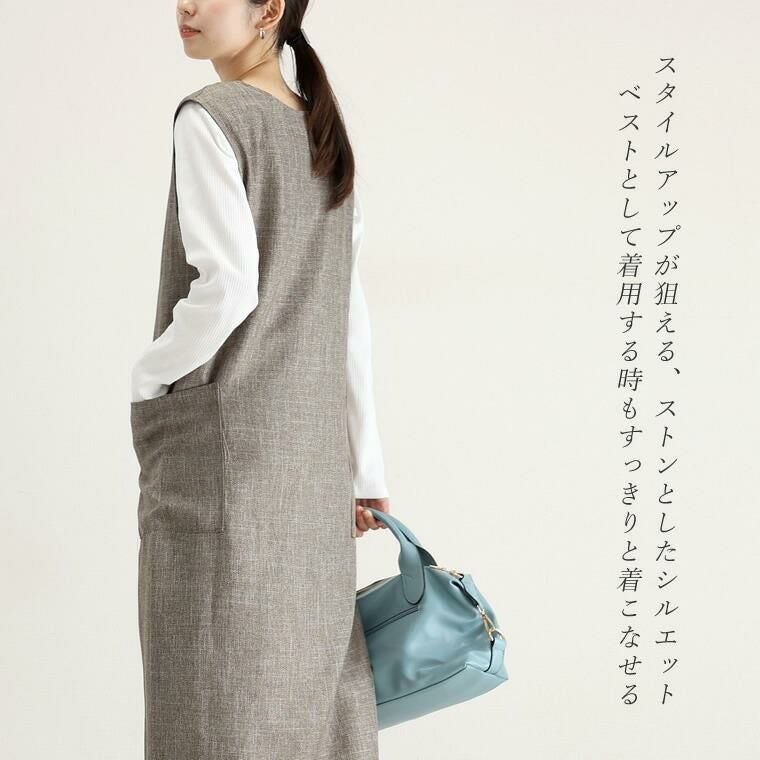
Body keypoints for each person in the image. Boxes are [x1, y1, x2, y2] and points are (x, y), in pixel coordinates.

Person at [128, 1, 390, 757]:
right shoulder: (322, 132)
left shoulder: (212, 115)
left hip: (227, 461)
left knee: (208, 701)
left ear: (269, 9)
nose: (186, 6)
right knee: (305, 708)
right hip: (314, 475)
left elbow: (228, 288)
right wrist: (367, 469)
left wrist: (148, 376)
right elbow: (348, 313)